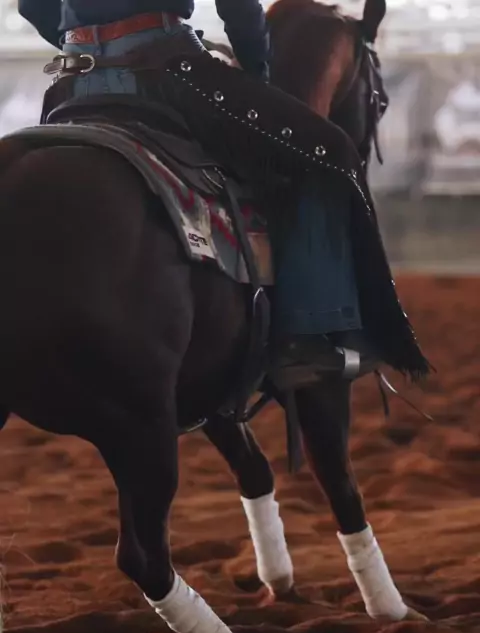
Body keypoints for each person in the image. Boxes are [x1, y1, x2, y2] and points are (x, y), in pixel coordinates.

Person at [18, 1, 429, 385]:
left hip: (74, 81)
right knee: (326, 149)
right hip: (165, 69)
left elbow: (31, 5)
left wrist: (84, 44)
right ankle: (308, 333)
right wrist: (256, 69)